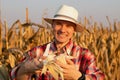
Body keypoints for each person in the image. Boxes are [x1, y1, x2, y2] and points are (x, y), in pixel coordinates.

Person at [11, 4, 105, 80]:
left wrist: (79, 77)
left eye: (68, 26)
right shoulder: (36, 52)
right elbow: (13, 76)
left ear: (74, 30)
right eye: (59, 24)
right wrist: (25, 69)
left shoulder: (85, 55)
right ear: (52, 25)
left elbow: (99, 77)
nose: (63, 30)